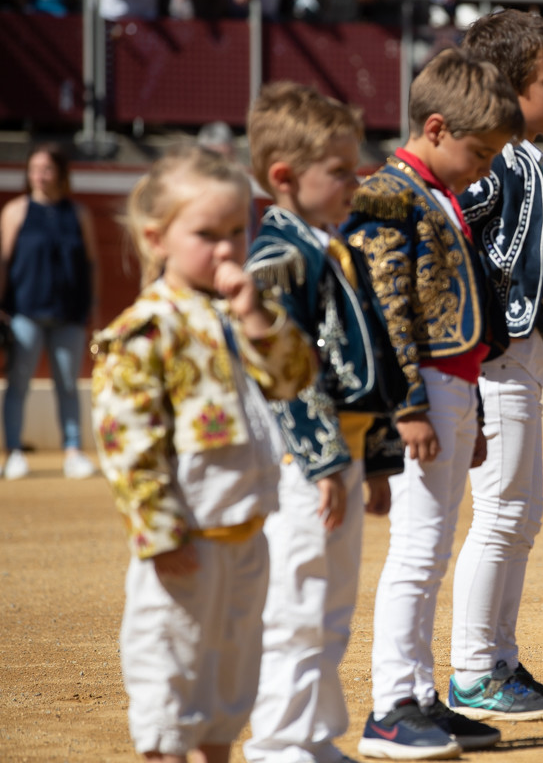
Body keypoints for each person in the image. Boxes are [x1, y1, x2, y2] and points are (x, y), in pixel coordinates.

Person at [91, 144, 316, 763]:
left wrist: (255, 319)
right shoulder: (147, 329)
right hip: (184, 539)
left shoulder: (241, 314)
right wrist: (160, 533)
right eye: (205, 234)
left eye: (234, 232)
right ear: (156, 237)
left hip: (247, 534)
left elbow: (295, 376)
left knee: (230, 676)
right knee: (170, 674)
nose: (224, 249)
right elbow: (128, 441)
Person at [343, 48, 523, 760]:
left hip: (453, 388)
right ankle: (390, 707)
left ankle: (419, 696)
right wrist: (409, 403)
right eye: (480, 152)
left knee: (432, 547)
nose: (485, 167)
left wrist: (469, 400)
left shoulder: (433, 191)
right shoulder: (390, 194)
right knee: (417, 550)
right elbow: (384, 308)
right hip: (424, 392)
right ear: (438, 127)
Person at [241, 83, 408, 763]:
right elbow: (289, 380)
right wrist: (322, 464)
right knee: (298, 602)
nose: (356, 180)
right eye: (339, 170)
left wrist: (370, 461)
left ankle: (313, 734)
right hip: (300, 465)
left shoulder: (325, 245)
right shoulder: (280, 259)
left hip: (336, 459)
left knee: (331, 603)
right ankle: (280, 742)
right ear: (284, 177)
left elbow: (353, 366)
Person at [449, 9, 543, 718]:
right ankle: (474, 670)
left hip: (518, 362)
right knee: (502, 515)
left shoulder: (522, 157)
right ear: (507, 87)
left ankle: (499, 659)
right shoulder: (496, 159)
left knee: (519, 515)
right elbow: (450, 236)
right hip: (496, 360)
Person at [1, 143, 99, 481]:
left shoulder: (78, 214)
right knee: (18, 384)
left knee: (68, 384)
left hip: (69, 313)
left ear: (60, 173)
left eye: (47, 169)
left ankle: (72, 451)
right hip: (24, 313)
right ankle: (13, 452)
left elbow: (90, 265)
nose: (40, 176)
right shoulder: (15, 211)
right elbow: (3, 263)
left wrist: (94, 310)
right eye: (34, 169)